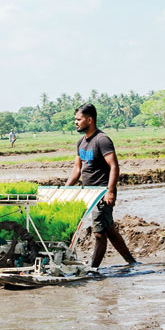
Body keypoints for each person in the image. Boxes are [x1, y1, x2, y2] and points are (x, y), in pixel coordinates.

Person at [64, 104, 136, 268]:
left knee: (99, 232)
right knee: (108, 229)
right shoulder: (81, 142)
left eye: (78, 119)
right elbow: (77, 169)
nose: (75, 122)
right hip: (88, 193)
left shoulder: (102, 140)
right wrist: (65, 189)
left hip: (102, 192)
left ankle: (93, 269)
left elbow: (114, 166)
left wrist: (110, 191)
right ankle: (131, 262)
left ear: (89, 120)